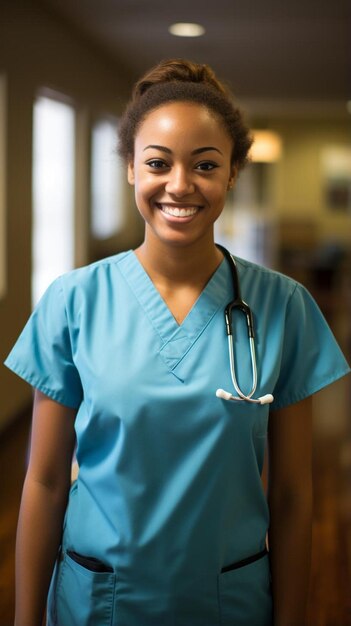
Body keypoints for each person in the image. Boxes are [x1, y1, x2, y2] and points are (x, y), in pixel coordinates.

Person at [5, 58, 350, 626]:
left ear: (233, 172)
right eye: (158, 163)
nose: (180, 185)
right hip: (97, 601)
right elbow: (44, 481)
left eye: (205, 165)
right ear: (130, 170)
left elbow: (291, 495)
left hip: (230, 603)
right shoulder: (73, 301)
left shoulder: (284, 306)